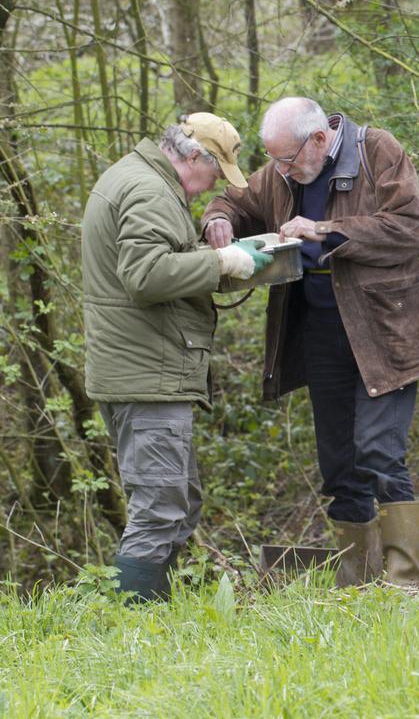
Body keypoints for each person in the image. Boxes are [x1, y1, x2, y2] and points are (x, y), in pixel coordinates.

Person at [201, 97, 419, 587]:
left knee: (378, 452)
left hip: (386, 332)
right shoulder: (283, 169)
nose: (280, 171)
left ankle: (406, 584)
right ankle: (357, 582)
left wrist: (325, 230)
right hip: (320, 334)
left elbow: (408, 230)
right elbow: (236, 198)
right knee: (339, 465)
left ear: (318, 139)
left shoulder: (377, 151)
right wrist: (217, 219)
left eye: (287, 159)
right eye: (274, 160)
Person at [82, 113, 272, 601]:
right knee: (160, 507)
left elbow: (160, 263)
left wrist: (229, 261)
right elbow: (145, 276)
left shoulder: (138, 176)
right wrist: (221, 262)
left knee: (178, 501)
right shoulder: (149, 191)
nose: (212, 186)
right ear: (193, 158)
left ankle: (155, 613)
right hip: (147, 374)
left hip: (146, 368)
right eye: (215, 173)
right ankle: (136, 629)